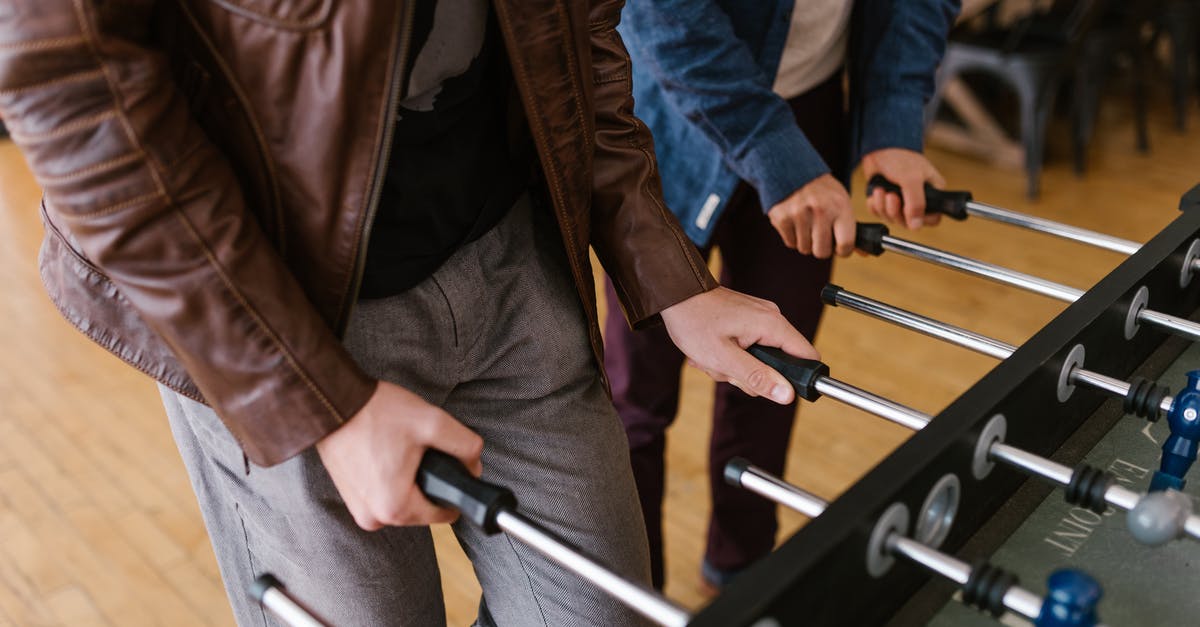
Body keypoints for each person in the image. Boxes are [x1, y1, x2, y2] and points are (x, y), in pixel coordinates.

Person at [0, 1, 820, 624]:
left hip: (510, 257)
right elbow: (73, 96)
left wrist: (665, 270)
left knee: (602, 609)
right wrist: (312, 396)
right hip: (275, 304)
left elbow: (579, 32)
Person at [607, 0, 960, 591]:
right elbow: (664, 13)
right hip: (669, 109)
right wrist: (774, 152)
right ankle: (636, 597)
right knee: (635, 399)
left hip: (810, 110)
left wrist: (894, 118)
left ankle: (742, 570)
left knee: (777, 379)